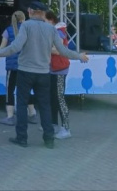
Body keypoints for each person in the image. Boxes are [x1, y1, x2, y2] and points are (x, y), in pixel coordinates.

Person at [0, 0, 89, 148]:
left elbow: (15, 47)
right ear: (43, 13)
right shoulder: (51, 29)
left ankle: (22, 138)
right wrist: (79, 56)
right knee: (45, 106)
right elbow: (63, 51)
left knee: (22, 104)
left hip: (26, 72)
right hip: (44, 73)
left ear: (30, 11)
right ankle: (49, 139)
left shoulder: (26, 26)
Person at [0, 10, 39, 126]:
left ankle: (10, 116)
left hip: (12, 66)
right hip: (26, 66)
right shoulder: (29, 30)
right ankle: (32, 113)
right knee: (26, 89)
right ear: (23, 18)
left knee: (9, 90)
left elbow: (2, 48)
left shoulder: (8, 31)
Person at [46, 10, 72, 140]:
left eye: (45, 21)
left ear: (51, 20)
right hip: (53, 69)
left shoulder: (59, 32)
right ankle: (54, 124)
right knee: (53, 97)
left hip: (59, 69)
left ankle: (66, 128)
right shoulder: (52, 31)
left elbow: (58, 50)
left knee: (59, 98)